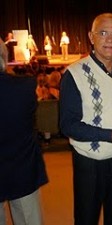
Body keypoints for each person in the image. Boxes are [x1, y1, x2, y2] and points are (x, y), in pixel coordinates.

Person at [59, 13, 112, 225]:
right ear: (91, 37)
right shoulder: (74, 73)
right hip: (89, 162)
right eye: (103, 33)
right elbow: (68, 125)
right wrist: (110, 135)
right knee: (86, 217)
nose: (109, 39)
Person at [0, 37, 48, 225]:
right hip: (23, 169)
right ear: (5, 57)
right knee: (28, 219)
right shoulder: (26, 86)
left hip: (20, 167)